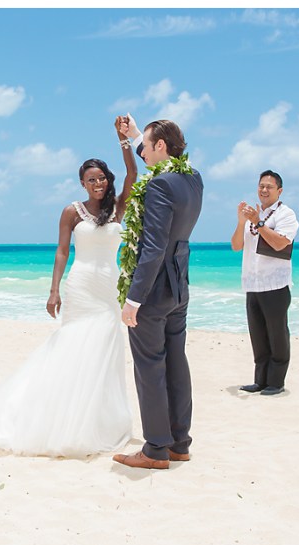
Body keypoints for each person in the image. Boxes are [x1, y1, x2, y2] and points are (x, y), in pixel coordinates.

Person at [0, 117, 137, 458]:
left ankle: (97, 422)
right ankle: (60, 418)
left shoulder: (117, 208)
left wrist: (123, 141)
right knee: (73, 349)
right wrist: (54, 290)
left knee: (104, 352)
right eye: (91, 180)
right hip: (82, 285)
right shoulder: (71, 212)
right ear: (82, 183)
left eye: (102, 178)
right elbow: (61, 251)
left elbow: (133, 175)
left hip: (108, 289)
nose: (98, 183)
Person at [113, 117, 203, 470]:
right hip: (179, 286)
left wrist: (133, 299)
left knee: (149, 367)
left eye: (148, 148)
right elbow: (157, 159)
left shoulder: (160, 186)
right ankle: (180, 443)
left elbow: (152, 247)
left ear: (161, 147)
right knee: (176, 362)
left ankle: (154, 450)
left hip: (153, 291)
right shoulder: (192, 179)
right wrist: (136, 134)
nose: (144, 155)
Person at [231, 170, 299, 396]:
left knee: (277, 334)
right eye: (261, 186)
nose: (264, 190)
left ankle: (276, 382)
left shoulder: (285, 214)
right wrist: (242, 222)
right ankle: (260, 380)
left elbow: (280, 244)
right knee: (258, 336)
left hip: (275, 285)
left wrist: (258, 223)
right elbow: (236, 246)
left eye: (269, 187)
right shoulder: (254, 215)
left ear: (279, 191)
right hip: (253, 284)